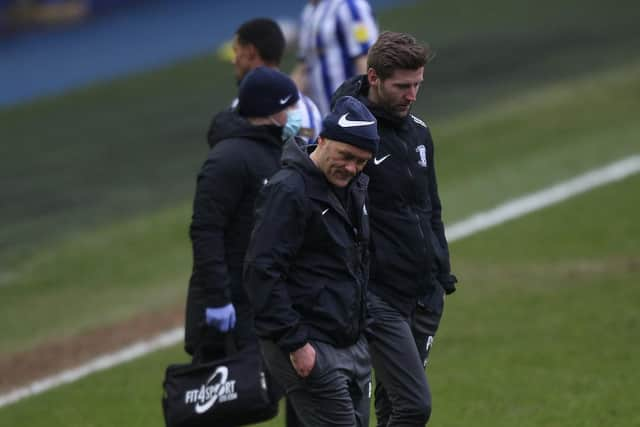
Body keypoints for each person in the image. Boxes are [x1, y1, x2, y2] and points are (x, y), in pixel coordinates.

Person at [332, 31, 458, 425]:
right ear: (374, 78)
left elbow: (430, 207)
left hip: (424, 294)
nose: (412, 95)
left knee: (391, 406)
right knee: (413, 405)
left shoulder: (419, 132)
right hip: (379, 296)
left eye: (417, 84)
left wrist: (440, 271)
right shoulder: (350, 137)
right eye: (402, 86)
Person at [243, 96, 379, 427]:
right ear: (323, 140)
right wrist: (295, 342)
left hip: (349, 340)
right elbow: (261, 271)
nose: (351, 167)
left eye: (361, 161)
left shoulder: (354, 186)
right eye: (346, 156)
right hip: (308, 342)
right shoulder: (288, 191)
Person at [184, 66, 301, 363]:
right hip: (234, 304)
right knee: (235, 400)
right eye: (290, 106)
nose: (295, 113)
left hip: (267, 297)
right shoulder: (227, 160)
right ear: (270, 111)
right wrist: (217, 299)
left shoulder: (277, 151)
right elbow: (206, 230)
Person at [230, 17, 322, 143]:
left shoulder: (239, 108)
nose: (233, 60)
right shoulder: (310, 110)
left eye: (236, 51)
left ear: (250, 51)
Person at [291, 0, 379, 117]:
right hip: (325, 118)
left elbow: (366, 60)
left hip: (350, 115)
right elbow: (304, 68)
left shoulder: (349, 6)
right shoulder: (308, 13)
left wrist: (364, 111)